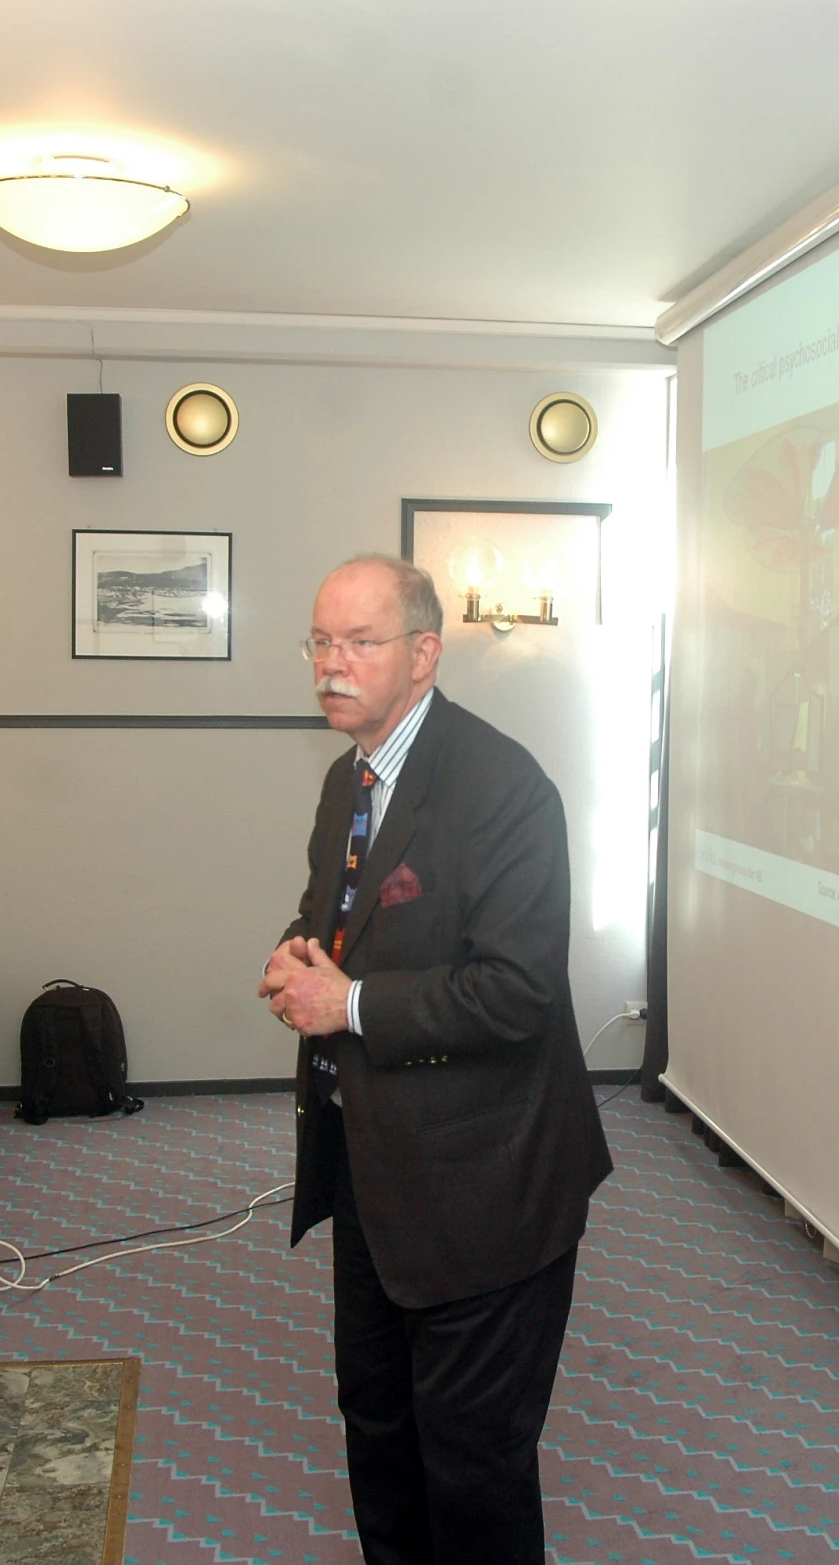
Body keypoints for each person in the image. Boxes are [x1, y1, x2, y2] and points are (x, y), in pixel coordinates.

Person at [259, 555, 612, 1564]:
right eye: (318, 642)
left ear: (423, 653)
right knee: (376, 1423)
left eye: (357, 641)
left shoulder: (502, 786)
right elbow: (343, 912)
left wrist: (349, 1000)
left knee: (470, 1463)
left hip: (486, 1183)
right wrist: (298, 948)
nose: (331, 664)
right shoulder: (348, 777)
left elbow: (516, 989)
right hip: (374, 1164)